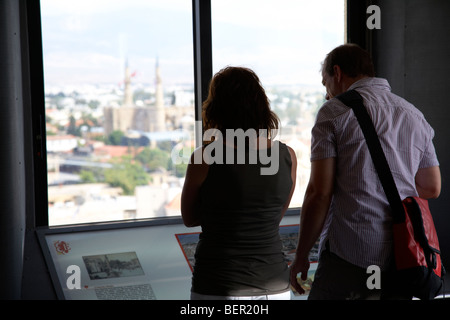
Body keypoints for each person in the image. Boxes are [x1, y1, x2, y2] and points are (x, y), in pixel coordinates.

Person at [289, 44, 441, 300]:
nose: (327, 94)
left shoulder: (333, 113)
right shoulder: (413, 114)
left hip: (350, 253)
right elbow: (431, 187)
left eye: (325, 82)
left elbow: (319, 192)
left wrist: (301, 255)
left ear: (337, 72)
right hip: (403, 256)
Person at [181, 66, 297, 300]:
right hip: (276, 284)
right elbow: (274, 216)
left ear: (217, 108)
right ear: (261, 106)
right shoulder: (287, 155)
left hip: (220, 283)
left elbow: (190, 218)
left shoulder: (205, 156)